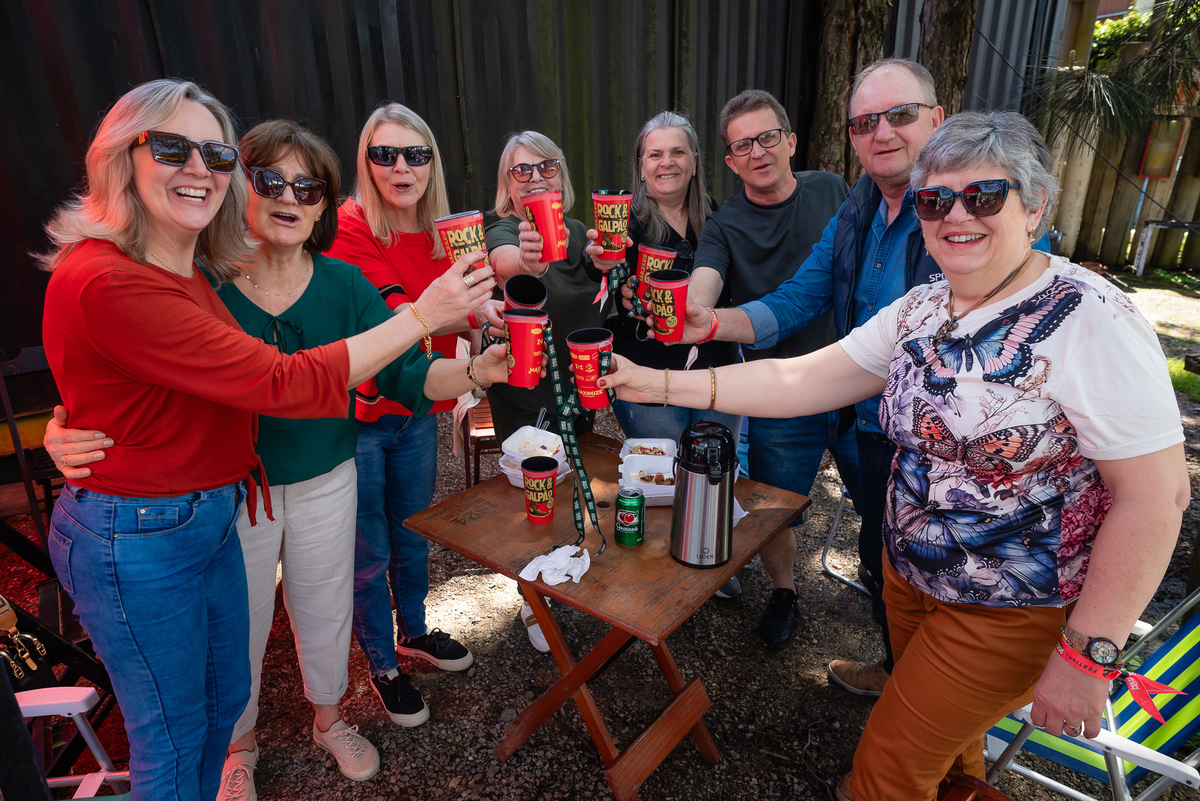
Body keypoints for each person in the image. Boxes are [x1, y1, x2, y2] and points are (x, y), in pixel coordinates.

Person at [601, 110, 1188, 801]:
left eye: (985, 196)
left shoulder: (1090, 317)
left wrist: (1090, 655)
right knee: (953, 759)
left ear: (1035, 207)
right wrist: (658, 380)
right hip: (908, 578)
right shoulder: (924, 307)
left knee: (882, 774)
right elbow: (800, 377)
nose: (955, 215)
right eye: (936, 199)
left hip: (1006, 608)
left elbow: (1156, 497)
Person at [37, 80, 492, 801]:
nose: (289, 195)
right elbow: (250, 377)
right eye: (268, 177)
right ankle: (236, 749)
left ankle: (328, 717)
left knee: (319, 609)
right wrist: (67, 427)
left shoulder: (308, 280)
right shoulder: (198, 276)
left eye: (308, 186)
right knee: (223, 659)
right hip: (218, 501)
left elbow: (410, 375)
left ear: (322, 203)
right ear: (241, 187)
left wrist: (473, 366)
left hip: (283, 484)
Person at [658, 58, 949, 693]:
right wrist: (704, 319)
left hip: (926, 435)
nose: (883, 133)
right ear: (730, 162)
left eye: (900, 115)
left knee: (918, 560)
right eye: (867, 122)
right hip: (812, 400)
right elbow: (792, 299)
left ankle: (925, 697)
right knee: (799, 519)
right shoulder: (860, 209)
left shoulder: (927, 211)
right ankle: (897, 672)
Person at [657, 89, 860, 647]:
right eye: (742, 144)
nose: (757, 152)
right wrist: (696, 311)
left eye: (767, 137)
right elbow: (706, 280)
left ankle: (890, 584)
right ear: (728, 160)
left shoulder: (832, 190)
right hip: (778, 394)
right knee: (777, 510)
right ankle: (784, 591)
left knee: (882, 497)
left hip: (856, 383)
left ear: (790, 141)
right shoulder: (723, 226)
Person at [324, 103, 491, 725]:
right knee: (368, 552)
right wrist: (465, 313)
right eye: (385, 154)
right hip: (360, 419)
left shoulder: (447, 229)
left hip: (417, 407)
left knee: (413, 535)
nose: (401, 166)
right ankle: (381, 662)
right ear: (365, 161)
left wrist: (488, 318)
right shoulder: (348, 226)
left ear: (432, 163)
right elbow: (400, 319)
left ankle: (413, 631)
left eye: (416, 154)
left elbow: (462, 308)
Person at [608, 111, 744, 599]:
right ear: (641, 166)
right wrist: (614, 287)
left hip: (717, 372)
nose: (666, 163)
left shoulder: (723, 216)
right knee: (665, 476)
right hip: (646, 376)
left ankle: (711, 553)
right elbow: (598, 273)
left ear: (694, 161)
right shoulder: (621, 221)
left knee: (714, 470)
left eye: (677, 151)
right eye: (655, 153)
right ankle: (667, 578)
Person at [485, 131, 609, 443]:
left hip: (581, 391)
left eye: (547, 167)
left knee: (576, 486)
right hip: (528, 403)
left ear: (560, 175)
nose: (536, 176)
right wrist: (529, 264)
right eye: (522, 170)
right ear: (507, 184)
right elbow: (505, 266)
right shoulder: (504, 232)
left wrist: (611, 270)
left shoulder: (580, 232)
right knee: (535, 488)